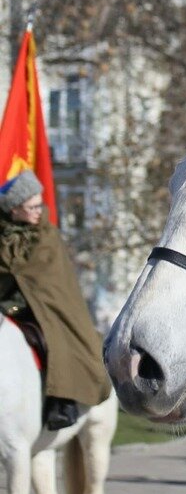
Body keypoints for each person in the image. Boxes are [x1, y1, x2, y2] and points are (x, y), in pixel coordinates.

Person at [0, 171, 108, 429]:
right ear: (14, 209)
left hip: (45, 310)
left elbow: (41, 280)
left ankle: (62, 401)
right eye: (32, 206)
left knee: (53, 338)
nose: (39, 210)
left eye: (40, 204)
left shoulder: (46, 236)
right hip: (7, 305)